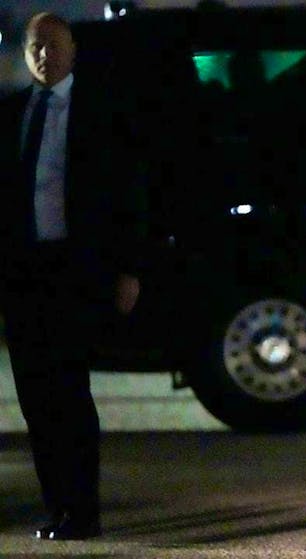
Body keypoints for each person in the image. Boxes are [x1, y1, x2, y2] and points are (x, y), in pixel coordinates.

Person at [0, 12, 146, 540]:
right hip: (23, 273)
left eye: (54, 46)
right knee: (35, 397)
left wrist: (128, 268)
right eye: (36, 47)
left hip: (74, 269)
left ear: (73, 51)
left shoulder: (102, 112)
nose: (44, 56)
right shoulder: (14, 112)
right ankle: (56, 506)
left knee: (69, 394)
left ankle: (83, 509)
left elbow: (129, 193)